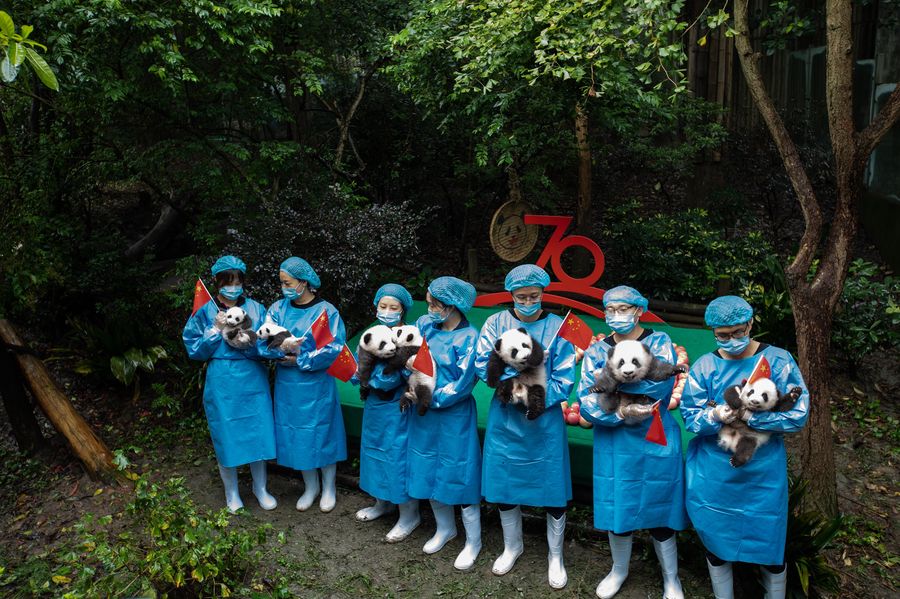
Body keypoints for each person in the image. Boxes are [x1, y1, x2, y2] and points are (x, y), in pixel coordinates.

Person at [680, 296, 809, 599]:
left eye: (738, 332)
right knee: (716, 541)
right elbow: (690, 415)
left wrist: (754, 418)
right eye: (723, 335)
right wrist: (714, 415)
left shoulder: (778, 361)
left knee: (769, 543)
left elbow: (798, 416)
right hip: (715, 472)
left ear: (751, 324)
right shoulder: (706, 366)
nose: (732, 340)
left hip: (762, 472)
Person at [577, 285, 687, 599]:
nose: (616, 315)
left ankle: (671, 578)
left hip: (655, 437)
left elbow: (659, 389)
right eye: (610, 309)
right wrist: (621, 411)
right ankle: (619, 570)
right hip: (615, 442)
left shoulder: (658, 342)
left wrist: (614, 391)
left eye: (623, 309)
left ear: (639, 310)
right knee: (618, 508)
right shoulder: (597, 350)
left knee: (661, 507)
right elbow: (587, 400)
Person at [473, 264, 576, 589]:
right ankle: (512, 546)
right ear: (511, 295)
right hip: (506, 418)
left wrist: (533, 396)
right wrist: (513, 386)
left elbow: (565, 378)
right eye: (521, 297)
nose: (528, 302)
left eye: (534, 296)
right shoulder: (495, 323)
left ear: (543, 293)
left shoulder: (558, 328)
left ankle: (555, 555)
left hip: (544, 421)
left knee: (553, 489)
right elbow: (482, 364)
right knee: (505, 483)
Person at [182, 255, 277, 513]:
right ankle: (231, 492)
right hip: (222, 380)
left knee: (258, 431)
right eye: (228, 282)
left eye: (237, 282)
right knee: (227, 433)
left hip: (253, 377)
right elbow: (194, 350)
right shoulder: (206, 310)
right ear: (217, 282)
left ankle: (260, 488)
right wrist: (214, 330)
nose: (233, 287)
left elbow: (267, 344)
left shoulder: (256, 308)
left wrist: (249, 343)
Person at [407, 276, 482, 569]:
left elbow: (462, 384)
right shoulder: (425, 326)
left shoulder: (470, 338)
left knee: (460, 473)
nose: (430, 309)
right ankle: (445, 528)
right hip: (423, 415)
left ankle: (473, 541)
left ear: (453, 305)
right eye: (429, 303)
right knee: (427, 468)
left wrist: (429, 397)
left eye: (435, 304)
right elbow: (408, 353)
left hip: (454, 415)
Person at [264, 257, 347, 513]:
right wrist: (280, 351)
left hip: (317, 385)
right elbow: (263, 341)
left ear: (304, 282)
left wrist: (301, 358)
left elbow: (334, 349)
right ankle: (310, 486)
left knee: (323, 433)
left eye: (288, 283)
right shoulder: (277, 309)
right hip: (288, 387)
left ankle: (329, 487)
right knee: (297, 435)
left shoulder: (326, 312)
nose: (284, 288)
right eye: (281, 283)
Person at [354, 283, 421, 542]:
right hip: (374, 407)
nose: (387, 311)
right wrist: (355, 373)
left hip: (398, 406)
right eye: (383, 306)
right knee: (374, 453)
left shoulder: (408, 335)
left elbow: (401, 373)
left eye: (394, 307)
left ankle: (409, 514)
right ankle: (381, 503)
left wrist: (371, 378)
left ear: (403, 310)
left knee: (397, 458)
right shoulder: (373, 332)